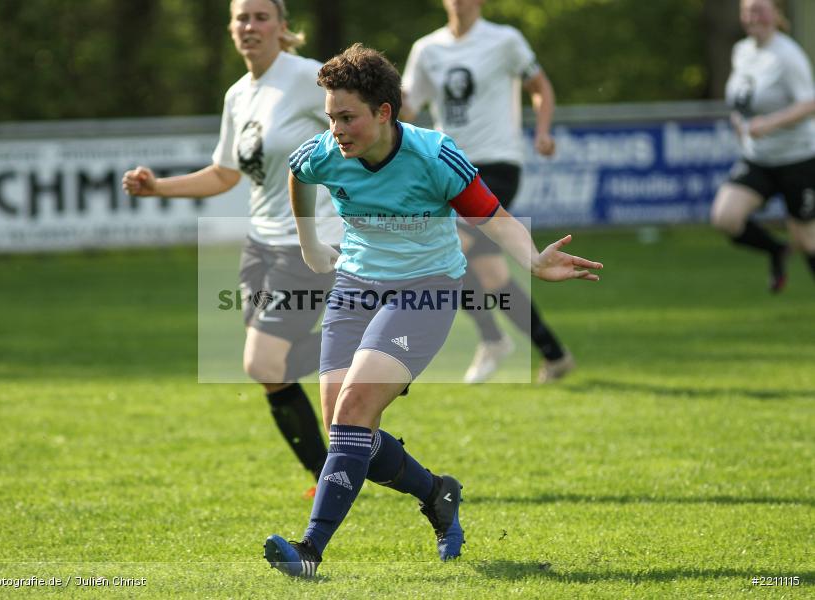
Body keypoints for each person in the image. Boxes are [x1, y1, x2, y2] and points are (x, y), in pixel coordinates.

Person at [263, 43, 602, 578]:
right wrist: (309, 245)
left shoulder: (433, 156)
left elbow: (494, 217)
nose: (336, 131)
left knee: (353, 411)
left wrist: (534, 261)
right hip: (354, 286)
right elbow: (299, 176)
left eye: (347, 117)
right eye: (330, 118)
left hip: (426, 291)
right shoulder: (325, 153)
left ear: (384, 113)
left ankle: (309, 551)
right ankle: (438, 494)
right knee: (346, 428)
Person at [122, 0, 340, 496]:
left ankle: (363, 346)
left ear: (283, 27)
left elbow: (365, 128)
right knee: (270, 372)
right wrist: (158, 187)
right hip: (259, 245)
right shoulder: (239, 95)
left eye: (261, 16)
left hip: (308, 242)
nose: (250, 26)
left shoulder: (309, 77)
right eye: (241, 17)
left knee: (262, 362)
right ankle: (324, 472)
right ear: (230, 29)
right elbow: (225, 173)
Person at [400, 0, 574, 384]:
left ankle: (493, 339)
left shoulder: (505, 40)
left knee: (446, 249)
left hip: (498, 165)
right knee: (490, 274)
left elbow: (539, 85)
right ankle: (554, 354)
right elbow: (408, 107)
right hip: (449, 169)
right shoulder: (426, 49)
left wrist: (543, 130)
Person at [711, 0, 815, 291]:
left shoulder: (788, 55)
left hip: (798, 158)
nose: (753, 16)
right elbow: (743, 99)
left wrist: (770, 123)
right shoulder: (742, 51)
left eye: (760, 9)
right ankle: (776, 250)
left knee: (806, 238)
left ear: (776, 13)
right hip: (758, 158)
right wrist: (739, 121)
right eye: (748, 10)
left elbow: (809, 103)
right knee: (725, 218)